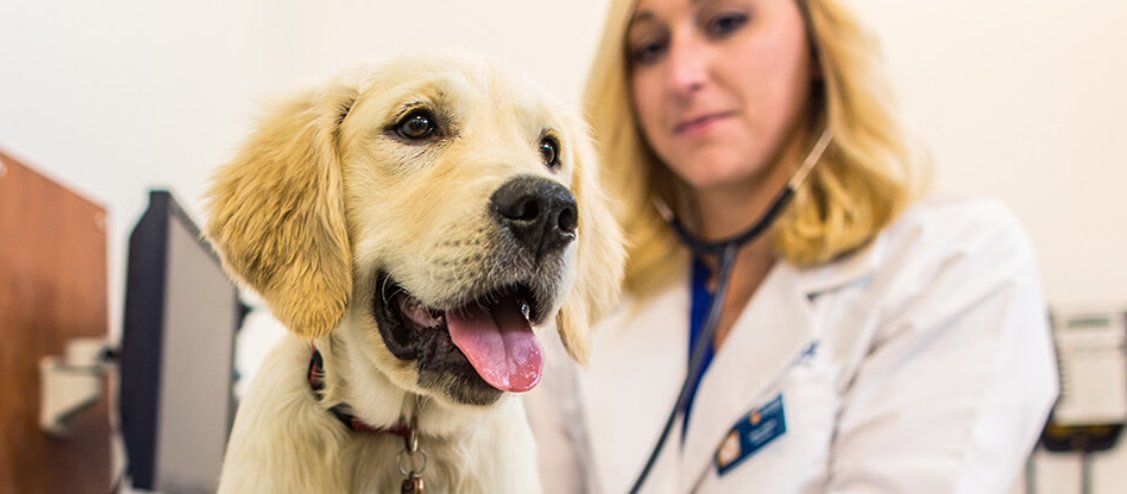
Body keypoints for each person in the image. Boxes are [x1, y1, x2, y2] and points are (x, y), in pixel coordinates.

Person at [525, 0, 1060, 492]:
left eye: (726, 22)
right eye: (650, 48)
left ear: (818, 49)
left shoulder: (954, 262)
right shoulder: (585, 299)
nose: (682, 76)